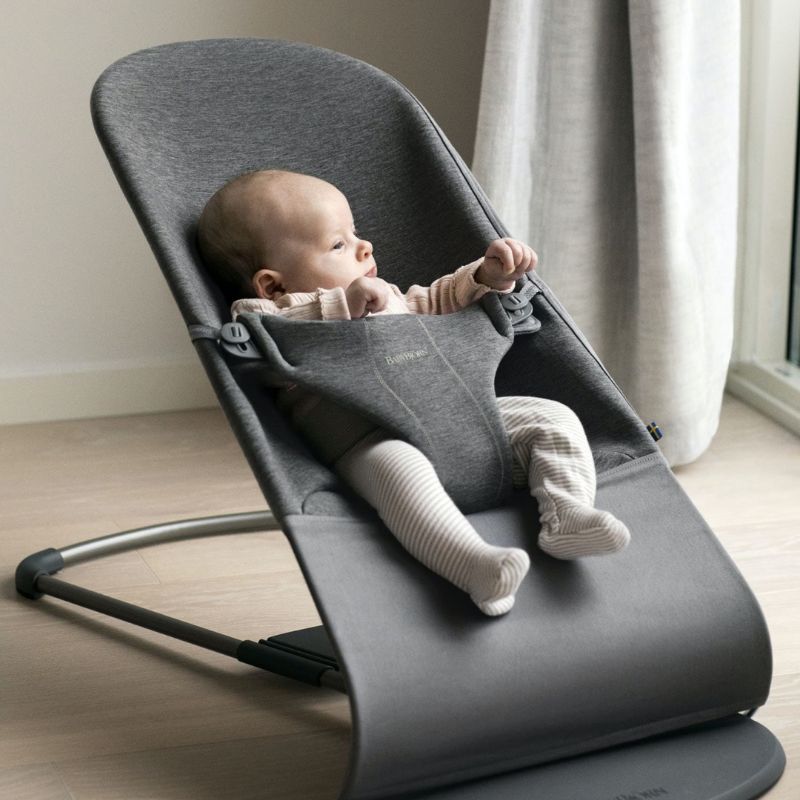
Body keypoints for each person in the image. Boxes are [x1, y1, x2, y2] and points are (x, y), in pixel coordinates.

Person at [197, 170, 630, 616]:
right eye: (338, 245)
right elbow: (266, 331)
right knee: (401, 474)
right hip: (369, 440)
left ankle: (567, 514)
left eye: (356, 233)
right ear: (274, 285)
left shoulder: (392, 298)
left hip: (468, 421)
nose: (365, 247)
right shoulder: (267, 315)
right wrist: (341, 304)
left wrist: (487, 276)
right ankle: (474, 566)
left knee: (552, 418)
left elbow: (440, 299)